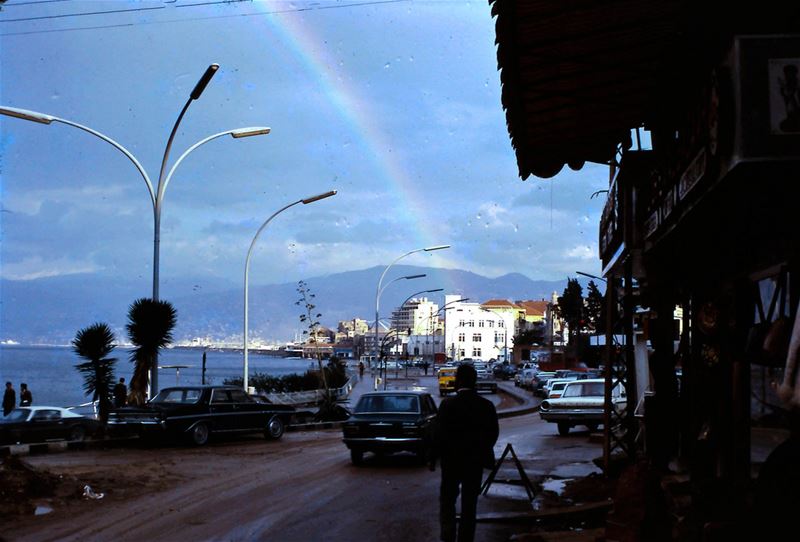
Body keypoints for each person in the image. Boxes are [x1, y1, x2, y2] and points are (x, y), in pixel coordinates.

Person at [430, 364, 499, 542]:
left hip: (451, 461)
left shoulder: (447, 405)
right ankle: (466, 538)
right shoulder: (486, 406)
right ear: (475, 381)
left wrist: (433, 457)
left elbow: (438, 434)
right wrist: (482, 450)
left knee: (447, 501)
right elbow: (493, 434)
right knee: (470, 505)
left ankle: (448, 535)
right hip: (474, 462)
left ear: (458, 380)